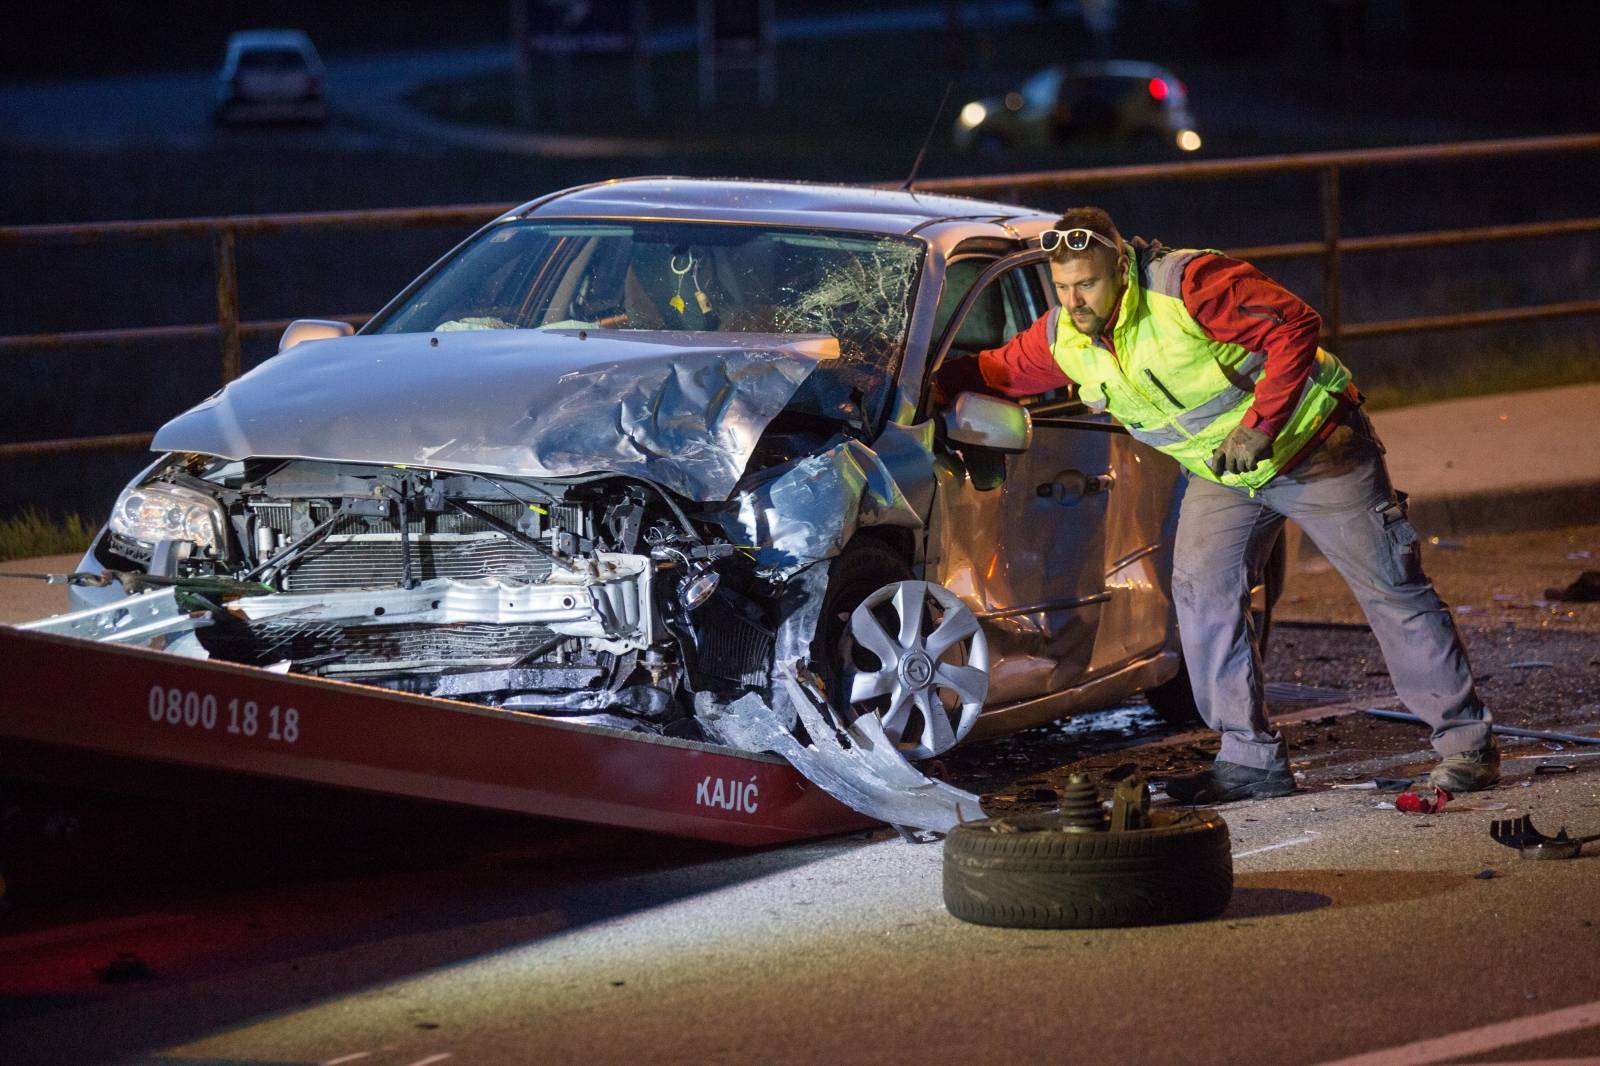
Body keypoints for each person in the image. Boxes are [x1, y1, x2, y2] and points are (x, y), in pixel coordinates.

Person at [935, 207, 1497, 803]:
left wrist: (1261, 424)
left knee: (1392, 591)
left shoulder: (1188, 285)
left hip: (1316, 448)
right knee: (1202, 592)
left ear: (1120, 266)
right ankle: (1250, 760)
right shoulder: (1063, 337)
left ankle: (1466, 746)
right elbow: (994, 371)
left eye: (1089, 284)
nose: (1076, 301)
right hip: (1228, 474)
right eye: (1064, 287)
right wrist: (910, 383)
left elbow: (1294, 326)